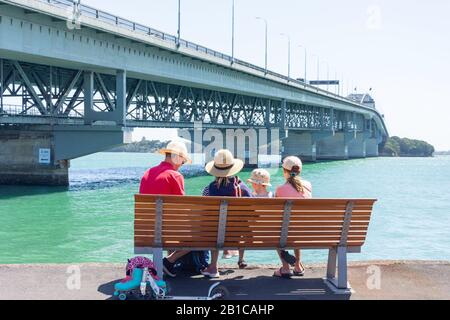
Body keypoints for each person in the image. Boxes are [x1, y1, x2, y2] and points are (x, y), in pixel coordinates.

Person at [139, 141, 192, 278]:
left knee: (169, 221)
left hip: (145, 229)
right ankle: (169, 261)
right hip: (167, 230)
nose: (181, 165)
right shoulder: (175, 176)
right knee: (202, 233)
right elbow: (182, 207)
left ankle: (169, 264)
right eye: (183, 161)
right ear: (177, 157)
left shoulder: (147, 173)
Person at [200, 149, 253, 278]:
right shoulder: (244, 190)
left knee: (213, 225)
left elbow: (204, 213)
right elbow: (252, 212)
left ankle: (213, 267)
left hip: (215, 234)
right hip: (238, 235)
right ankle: (240, 259)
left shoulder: (208, 189)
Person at [273, 156, 313, 279]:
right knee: (296, 226)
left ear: (284, 171)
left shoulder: (280, 189)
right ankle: (297, 266)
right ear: (299, 171)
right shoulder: (308, 185)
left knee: (278, 230)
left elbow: (275, 213)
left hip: (286, 231)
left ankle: (285, 268)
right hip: (305, 230)